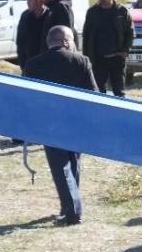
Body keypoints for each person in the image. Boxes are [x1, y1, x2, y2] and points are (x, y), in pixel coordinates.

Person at [22, 26, 98, 225]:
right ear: (66, 41)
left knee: (60, 167)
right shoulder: (82, 61)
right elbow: (93, 94)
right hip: (77, 121)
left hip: (49, 122)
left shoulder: (33, 64)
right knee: (74, 163)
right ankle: (70, 205)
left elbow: (27, 98)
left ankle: (72, 210)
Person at [82, 0, 134, 97]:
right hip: (99, 59)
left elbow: (130, 32)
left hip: (117, 57)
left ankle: (120, 113)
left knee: (119, 91)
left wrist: (125, 50)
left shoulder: (122, 11)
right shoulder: (92, 12)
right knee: (98, 91)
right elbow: (86, 35)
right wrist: (87, 56)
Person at [15, 0, 50, 65]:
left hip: (46, 63)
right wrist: (23, 64)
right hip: (29, 63)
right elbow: (20, 42)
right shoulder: (25, 16)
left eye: (30, 0)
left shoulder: (50, 15)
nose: (27, 3)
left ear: (39, 1)